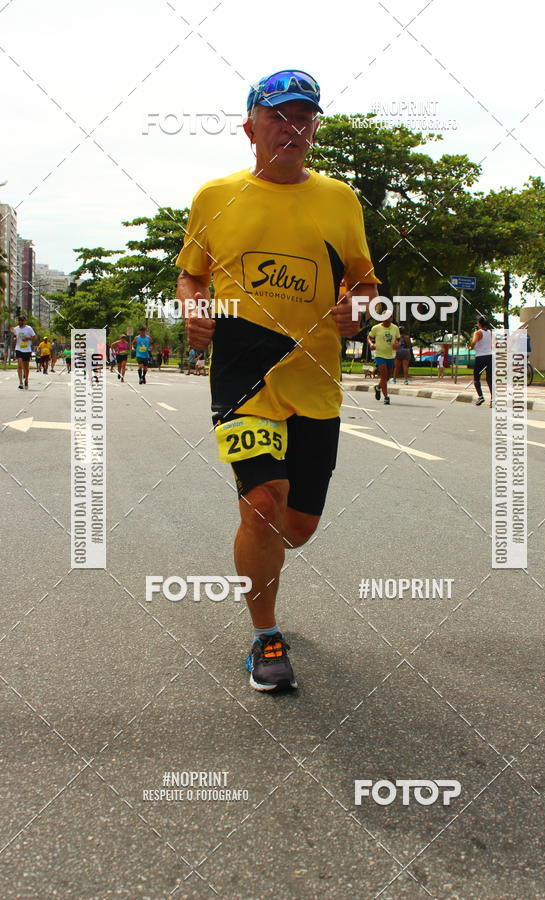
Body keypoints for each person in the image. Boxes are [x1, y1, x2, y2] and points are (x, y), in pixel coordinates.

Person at [176, 68, 379, 691]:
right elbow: (192, 275)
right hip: (243, 377)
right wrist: (192, 308)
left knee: (298, 525)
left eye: (303, 117)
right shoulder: (215, 197)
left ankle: (262, 559)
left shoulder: (339, 200)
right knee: (263, 506)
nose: (292, 128)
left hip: (315, 378)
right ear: (250, 128)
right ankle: (266, 636)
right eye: (278, 117)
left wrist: (362, 309)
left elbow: (366, 283)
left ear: (315, 129)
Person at [368, 313, 400, 405]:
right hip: (379, 355)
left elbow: (399, 338)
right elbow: (369, 337)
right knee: (384, 376)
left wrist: (397, 344)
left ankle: (378, 387)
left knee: (387, 377)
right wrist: (371, 344)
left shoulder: (395, 328)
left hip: (390, 355)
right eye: (386, 317)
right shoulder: (376, 328)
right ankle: (386, 397)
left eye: (390, 317)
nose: (388, 318)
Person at [471, 316, 493, 406]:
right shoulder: (489, 332)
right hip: (489, 356)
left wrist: (470, 347)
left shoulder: (477, 333)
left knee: (476, 378)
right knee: (489, 378)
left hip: (480, 357)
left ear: (479, 323)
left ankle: (481, 397)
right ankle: (493, 399)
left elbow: (473, 342)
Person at [12, 315, 36, 390]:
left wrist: (27, 338)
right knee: (19, 365)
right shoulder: (16, 329)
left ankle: (26, 380)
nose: (20, 322)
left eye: (22, 320)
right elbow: (14, 336)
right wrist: (15, 338)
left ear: (24, 321)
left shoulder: (29, 328)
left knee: (26, 367)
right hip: (18, 349)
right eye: (19, 320)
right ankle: (21, 383)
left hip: (27, 349)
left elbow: (34, 337)